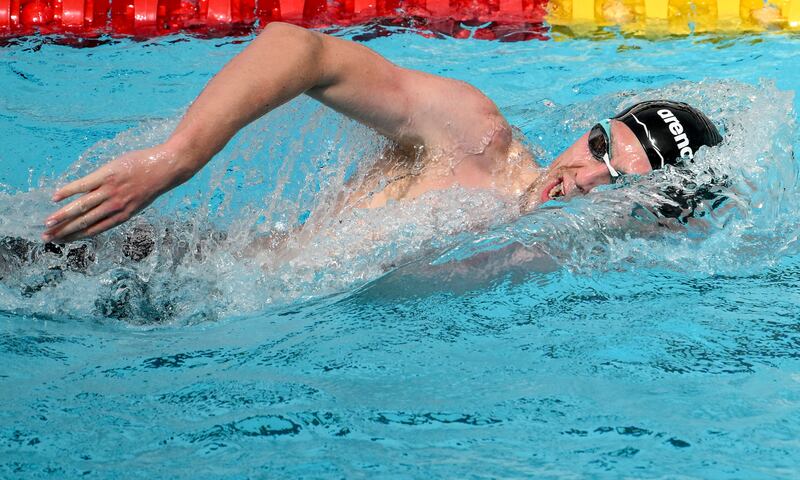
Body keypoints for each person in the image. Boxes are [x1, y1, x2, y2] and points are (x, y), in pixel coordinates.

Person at [39, 22, 724, 246]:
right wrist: (174, 160)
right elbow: (299, 49)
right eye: (600, 146)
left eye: (622, 184)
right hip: (150, 274)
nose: (583, 176)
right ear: (587, 129)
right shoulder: (474, 139)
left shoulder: (569, 267)